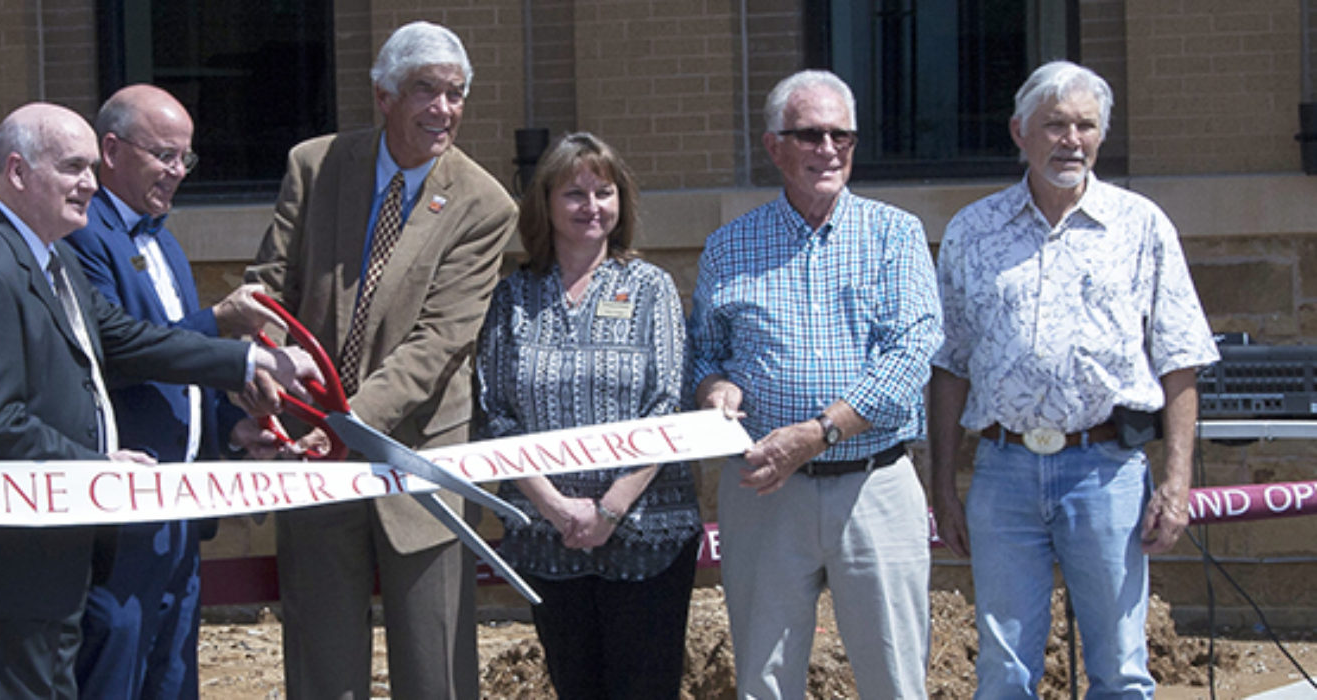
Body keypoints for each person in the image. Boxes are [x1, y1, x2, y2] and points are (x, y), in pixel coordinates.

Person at [0, 102, 313, 699]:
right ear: (17, 172)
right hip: (10, 571)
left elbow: (126, 338)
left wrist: (249, 360)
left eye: (88, 167)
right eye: (73, 167)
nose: (88, 183)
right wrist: (96, 465)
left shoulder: (47, 254)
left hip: (57, 561)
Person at [243, 21, 515, 699]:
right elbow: (269, 291)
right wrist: (261, 390)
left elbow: (438, 343)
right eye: (426, 89)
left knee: (435, 672)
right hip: (312, 460)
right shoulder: (315, 164)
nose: (443, 109)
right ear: (383, 95)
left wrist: (344, 422)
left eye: (456, 93)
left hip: (419, 462)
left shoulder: (484, 204)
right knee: (322, 666)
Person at [928, 60, 1218, 699]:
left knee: (1119, 668)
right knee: (1003, 674)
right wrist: (944, 484)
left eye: (1086, 125)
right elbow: (949, 364)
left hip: (1107, 471)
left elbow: (1179, 358)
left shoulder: (1141, 227)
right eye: (1055, 124)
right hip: (1003, 473)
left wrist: (1176, 481)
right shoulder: (973, 231)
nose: (1072, 139)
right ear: (1019, 132)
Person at [687, 69, 941, 699]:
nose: (828, 149)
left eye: (842, 136)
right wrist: (716, 390)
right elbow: (704, 356)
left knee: (895, 681)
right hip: (765, 493)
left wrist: (821, 431)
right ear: (774, 146)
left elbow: (911, 356)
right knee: (764, 682)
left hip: (874, 487)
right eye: (809, 135)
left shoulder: (895, 235)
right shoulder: (727, 246)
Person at [63, 84, 280, 700]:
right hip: (123, 510)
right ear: (111, 149)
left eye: (186, 158)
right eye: (164, 155)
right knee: (117, 673)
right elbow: (119, 353)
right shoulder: (84, 235)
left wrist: (230, 431)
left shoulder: (164, 242)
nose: (178, 172)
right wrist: (221, 325)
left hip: (182, 509)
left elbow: (179, 378)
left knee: (175, 677)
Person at [473, 132, 701, 698]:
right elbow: (496, 414)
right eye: (575, 193)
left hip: (650, 538)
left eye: (604, 192)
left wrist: (609, 509)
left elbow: (667, 406)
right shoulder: (513, 298)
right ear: (545, 203)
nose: (591, 207)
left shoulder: (651, 288)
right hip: (548, 542)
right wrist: (555, 508)